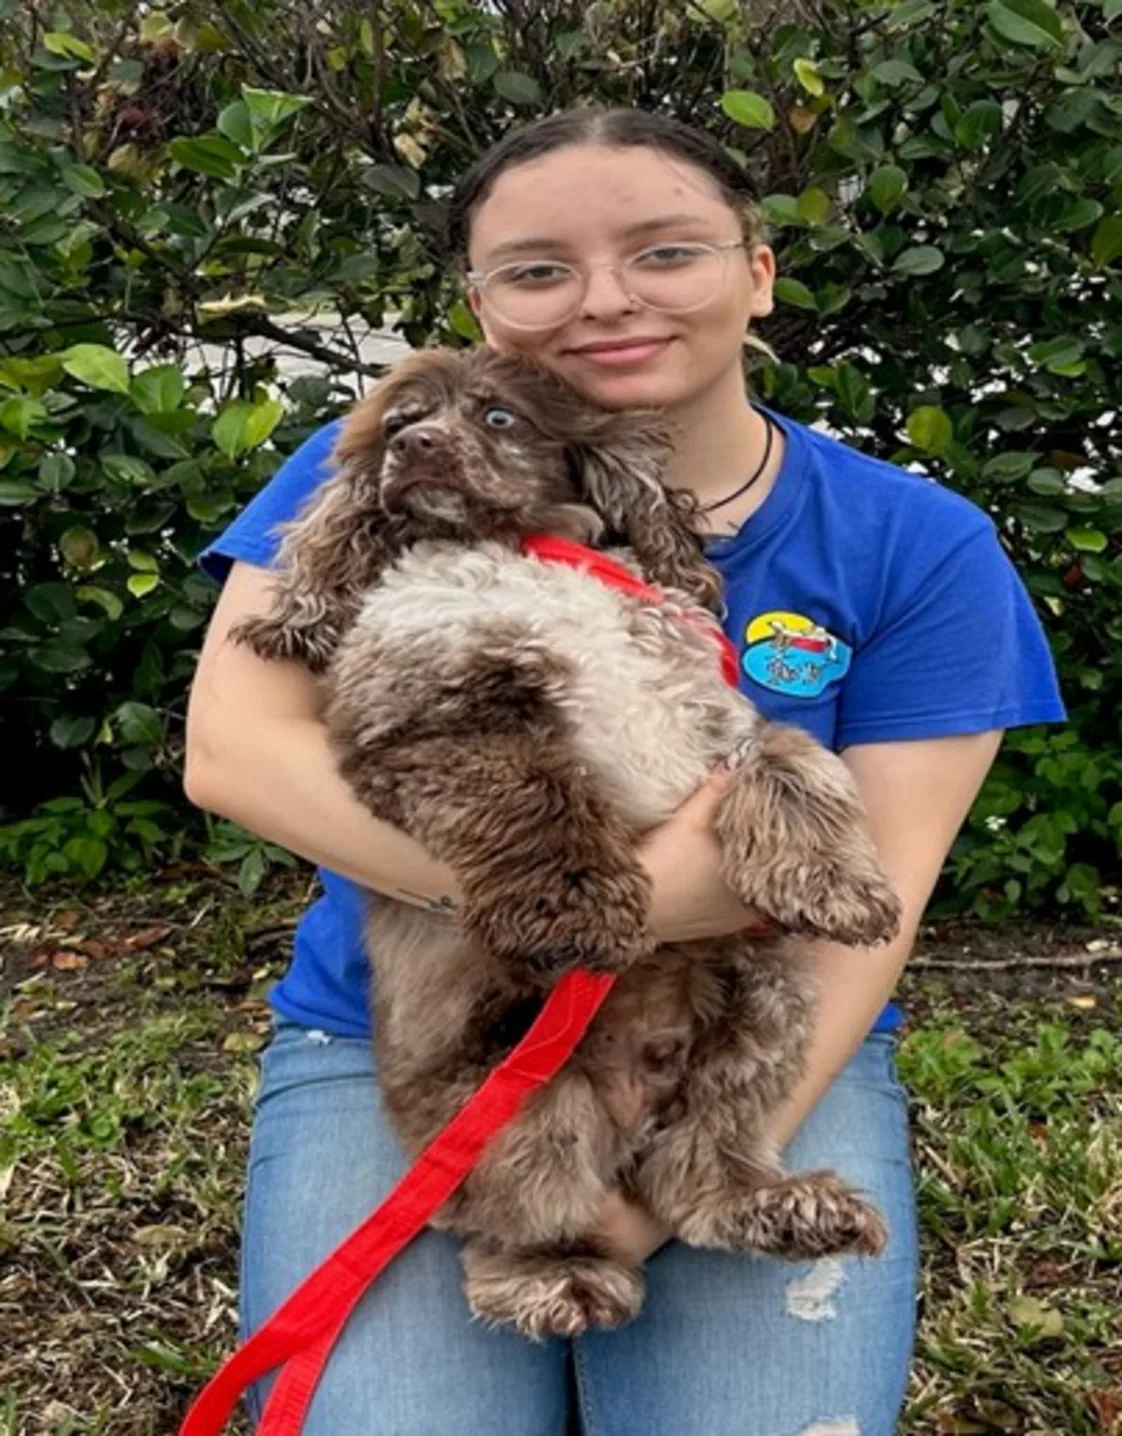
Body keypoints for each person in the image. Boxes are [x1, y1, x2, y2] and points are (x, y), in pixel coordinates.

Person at [184, 106, 1065, 1436]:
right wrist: (604, 900)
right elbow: (235, 752)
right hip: (416, 1025)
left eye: (663, 252)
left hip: (741, 1036)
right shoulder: (374, 469)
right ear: (480, 303)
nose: (603, 301)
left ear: (756, 271)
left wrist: (656, 1202)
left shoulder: (914, 543)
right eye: (537, 269)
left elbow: (860, 908)